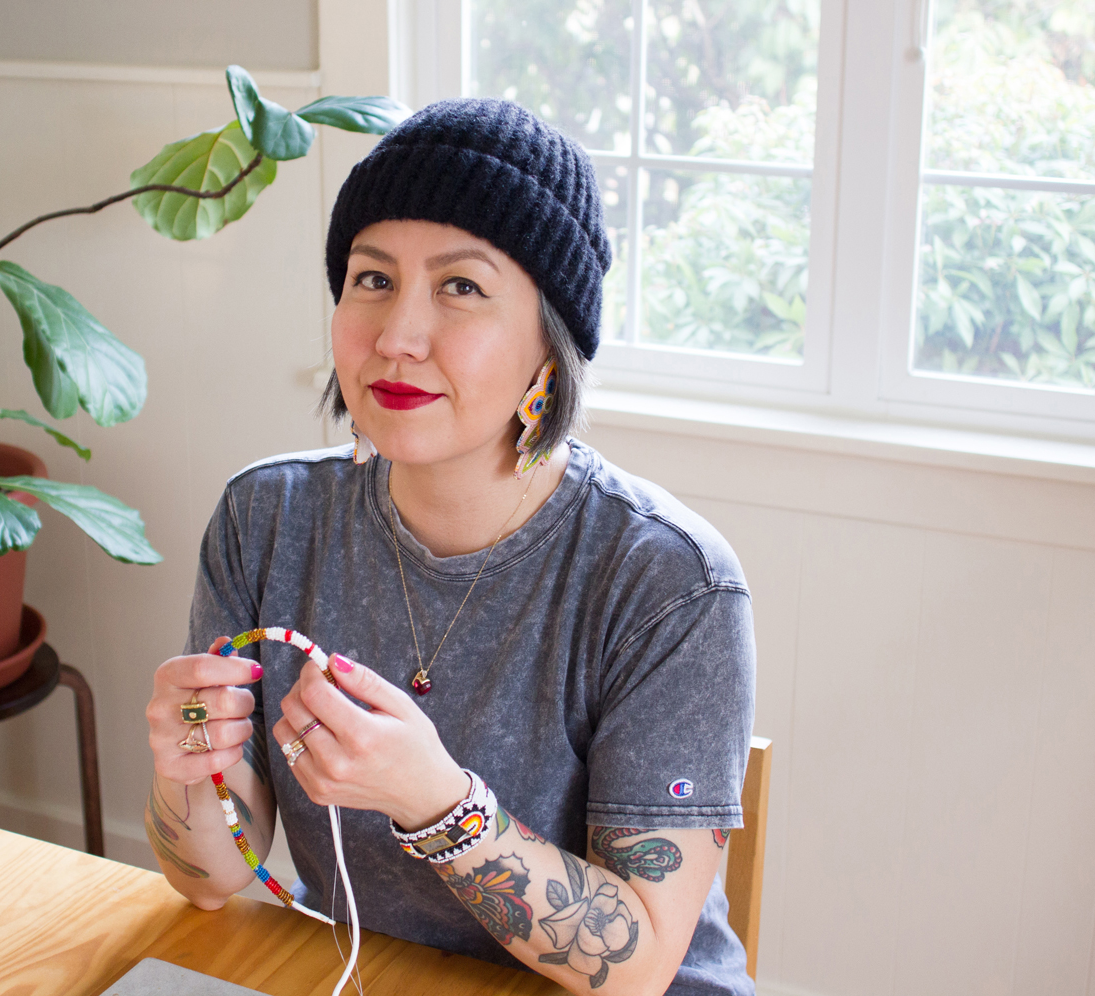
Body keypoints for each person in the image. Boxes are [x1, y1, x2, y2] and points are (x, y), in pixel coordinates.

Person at [145, 98, 756, 995]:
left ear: (551, 343)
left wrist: (437, 804)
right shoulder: (264, 520)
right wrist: (186, 771)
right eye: (372, 279)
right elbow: (212, 880)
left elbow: (640, 962)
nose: (396, 337)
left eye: (461, 287)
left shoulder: (671, 583)